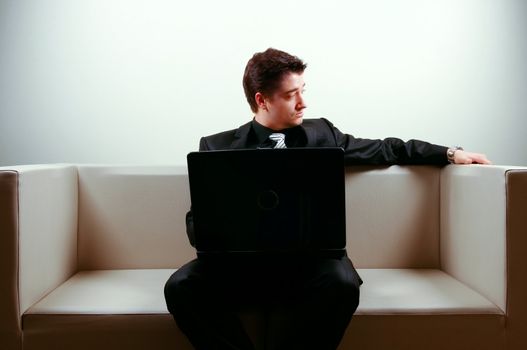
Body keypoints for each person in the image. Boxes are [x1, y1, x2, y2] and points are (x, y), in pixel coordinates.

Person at [164, 48, 491, 350]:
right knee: (180, 286)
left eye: (303, 90)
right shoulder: (216, 148)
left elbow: (386, 148)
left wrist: (451, 154)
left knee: (343, 284)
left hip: (309, 266)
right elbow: (197, 224)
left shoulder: (322, 135)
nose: (303, 103)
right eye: (292, 95)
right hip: (241, 268)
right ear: (262, 100)